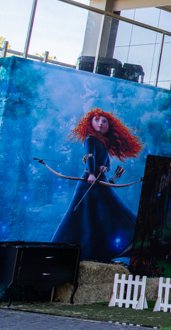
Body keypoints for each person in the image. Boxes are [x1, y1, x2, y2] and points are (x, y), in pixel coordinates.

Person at [51, 108, 144, 262]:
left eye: (104, 121)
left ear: (109, 126)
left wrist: (105, 168)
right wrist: (92, 173)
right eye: (97, 120)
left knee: (114, 211)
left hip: (101, 181)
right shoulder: (90, 139)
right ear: (90, 122)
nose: (100, 123)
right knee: (86, 216)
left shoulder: (103, 144)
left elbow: (108, 163)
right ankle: (80, 253)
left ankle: (126, 242)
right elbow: (90, 156)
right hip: (90, 182)